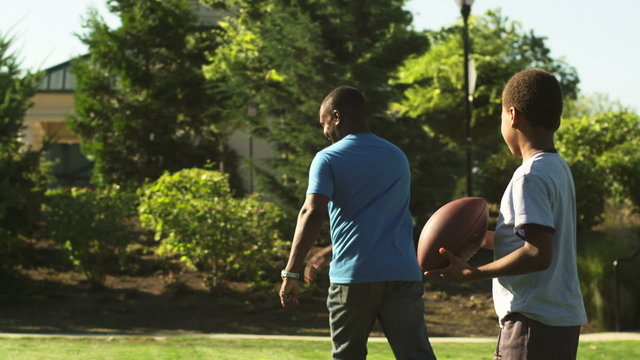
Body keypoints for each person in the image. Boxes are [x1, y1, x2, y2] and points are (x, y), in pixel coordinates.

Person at [426, 69, 587, 359]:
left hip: (531, 321)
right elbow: (531, 236)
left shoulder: (530, 176)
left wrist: (473, 273)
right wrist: (477, 238)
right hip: (559, 319)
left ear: (512, 116)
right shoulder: (557, 168)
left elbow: (538, 253)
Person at [279, 86, 437, 360]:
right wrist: (331, 249)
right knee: (416, 355)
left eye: (324, 123)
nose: (324, 131)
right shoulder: (396, 156)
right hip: (402, 274)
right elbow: (380, 217)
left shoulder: (329, 157)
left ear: (336, 116)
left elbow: (312, 213)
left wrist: (291, 273)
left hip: (355, 278)